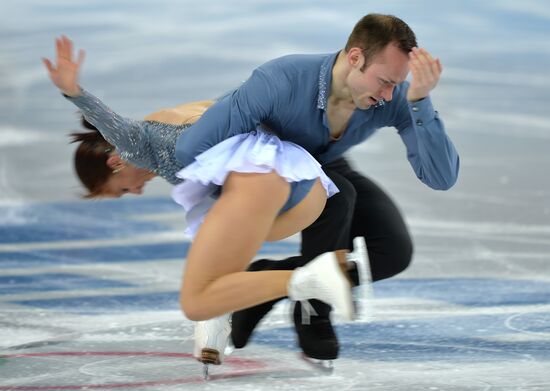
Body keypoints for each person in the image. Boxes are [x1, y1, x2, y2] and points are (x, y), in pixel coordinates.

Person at [43, 36, 371, 369]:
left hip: (265, 181)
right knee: (214, 238)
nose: (136, 192)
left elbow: (110, 123)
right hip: (306, 186)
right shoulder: (174, 117)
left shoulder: (140, 142)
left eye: (123, 190)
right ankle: (223, 310)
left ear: (115, 163)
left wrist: (74, 92)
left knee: (201, 286)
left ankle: (295, 284)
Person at [169, 13, 460, 363]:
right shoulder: (281, 80)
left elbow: (439, 177)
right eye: (384, 81)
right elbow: (193, 148)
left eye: (396, 85)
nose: (387, 95)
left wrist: (419, 102)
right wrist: (241, 201)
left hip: (327, 166)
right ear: (355, 57)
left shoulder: (393, 97)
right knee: (339, 198)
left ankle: (261, 283)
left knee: (392, 251)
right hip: (275, 173)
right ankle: (312, 311)